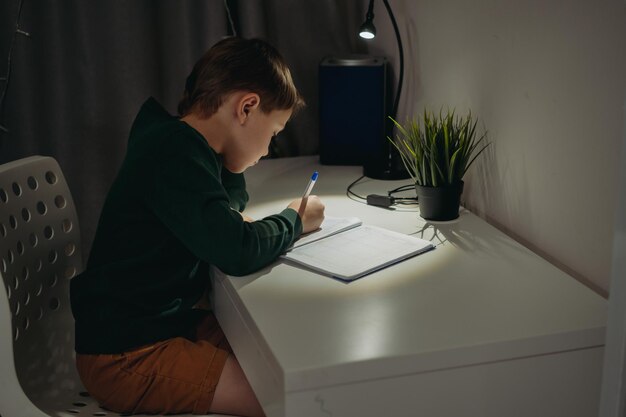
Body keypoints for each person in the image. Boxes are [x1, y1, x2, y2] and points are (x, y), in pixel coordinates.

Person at [69, 37, 325, 417]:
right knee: (282, 399)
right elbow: (236, 249)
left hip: (159, 324)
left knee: (284, 357)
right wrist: (294, 219)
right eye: (273, 133)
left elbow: (224, 211)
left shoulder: (183, 145)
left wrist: (232, 165)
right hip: (125, 353)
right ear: (247, 107)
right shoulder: (172, 153)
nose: (269, 149)